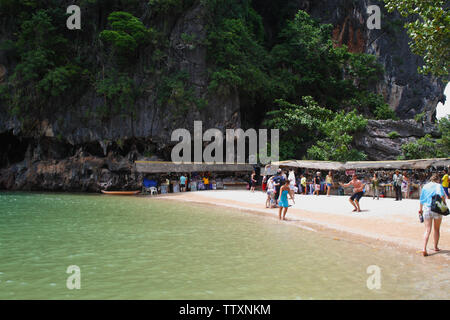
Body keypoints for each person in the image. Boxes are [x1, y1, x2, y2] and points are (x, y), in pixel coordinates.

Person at [418, 174, 446, 257]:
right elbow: (442, 196)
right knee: (436, 229)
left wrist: (420, 210)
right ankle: (435, 247)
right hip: (436, 209)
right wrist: (444, 204)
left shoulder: (425, 186)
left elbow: (421, 200)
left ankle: (424, 248)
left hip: (427, 209)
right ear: (438, 180)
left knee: (427, 230)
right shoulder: (438, 186)